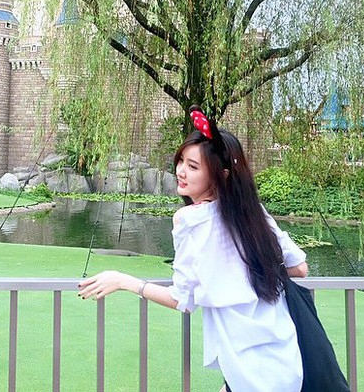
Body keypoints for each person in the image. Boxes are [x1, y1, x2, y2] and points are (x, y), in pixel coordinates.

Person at [78, 106, 308, 392]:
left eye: (193, 167)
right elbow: (300, 267)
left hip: (247, 369)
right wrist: (252, 270)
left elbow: (181, 299)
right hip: (285, 360)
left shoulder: (190, 220)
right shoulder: (255, 213)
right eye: (181, 161)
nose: (181, 171)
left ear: (221, 175)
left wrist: (123, 281)